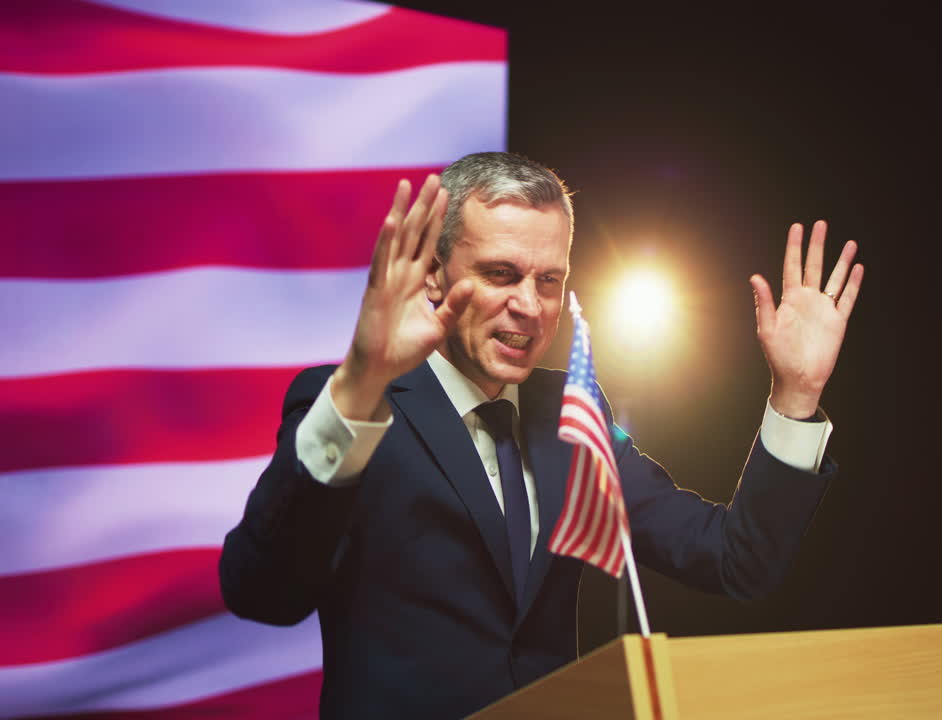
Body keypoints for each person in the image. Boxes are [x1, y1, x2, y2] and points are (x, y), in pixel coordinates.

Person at [220, 152, 864, 718]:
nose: (530, 305)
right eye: (502, 273)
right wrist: (361, 381)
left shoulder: (572, 408)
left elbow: (737, 562)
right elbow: (260, 591)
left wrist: (796, 395)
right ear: (435, 275)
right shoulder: (354, 401)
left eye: (549, 279)